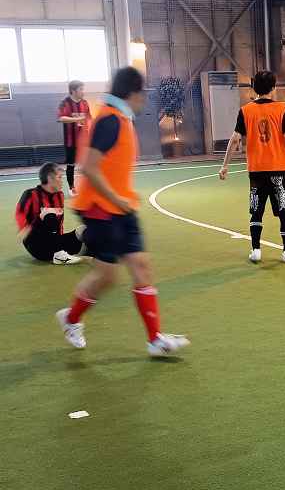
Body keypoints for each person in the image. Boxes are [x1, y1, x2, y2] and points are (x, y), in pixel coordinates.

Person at [56, 67, 189, 357]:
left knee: (141, 266)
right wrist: (116, 198)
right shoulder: (110, 120)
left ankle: (155, 339)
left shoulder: (120, 118)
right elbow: (89, 168)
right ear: (132, 93)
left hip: (122, 207)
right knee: (107, 276)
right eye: (142, 94)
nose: (144, 100)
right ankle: (71, 318)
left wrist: (121, 199)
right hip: (100, 209)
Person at [219, 70, 285, 264]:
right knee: (284, 210)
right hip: (279, 169)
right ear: (273, 87)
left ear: (254, 88)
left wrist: (225, 165)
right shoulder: (282, 109)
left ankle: (256, 250)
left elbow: (235, 139)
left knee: (256, 210)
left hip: (256, 170)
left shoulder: (245, 111)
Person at [15, 163, 84, 265]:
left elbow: (59, 223)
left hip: (53, 243)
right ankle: (59, 255)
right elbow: (20, 213)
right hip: (36, 245)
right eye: (59, 177)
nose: (62, 181)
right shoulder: (31, 194)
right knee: (49, 213)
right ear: (50, 178)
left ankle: (90, 254)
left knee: (83, 230)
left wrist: (59, 241)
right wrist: (24, 228)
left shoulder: (59, 195)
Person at [57, 80, 91, 196]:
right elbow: (61, 118)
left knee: (88, 164)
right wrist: (77, 119)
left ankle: (87, 186)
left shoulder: (85, 103)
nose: (83, 91)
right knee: (71, 165)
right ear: (73, 91)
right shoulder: (65, 103)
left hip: (85, 141)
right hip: (70, 141)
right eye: (81, 89)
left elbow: (89, 119)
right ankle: (72, 188)